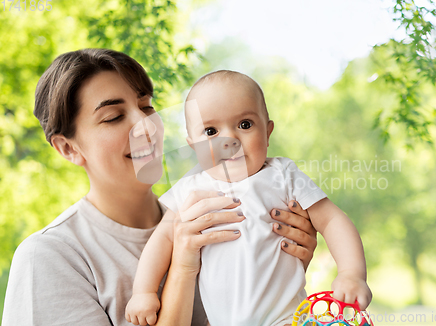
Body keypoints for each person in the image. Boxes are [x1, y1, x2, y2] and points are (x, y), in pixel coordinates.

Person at [1, 49, 318, 326]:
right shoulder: (49, 258)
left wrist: (287, 264)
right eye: (113, 117)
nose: (145, 125)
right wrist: (181, 267)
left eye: (147, 107)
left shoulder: (220, 209)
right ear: (68, 148)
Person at [126, 71, 372, 326]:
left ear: (268, 132)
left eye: (245, 125)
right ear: (193, 146)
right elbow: (162, 239)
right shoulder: (190, 190)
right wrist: (143, 291)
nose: (230, 139)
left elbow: (332, 220)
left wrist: (352, 273)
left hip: (287, 319)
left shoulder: (282, 175)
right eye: (211, 130)